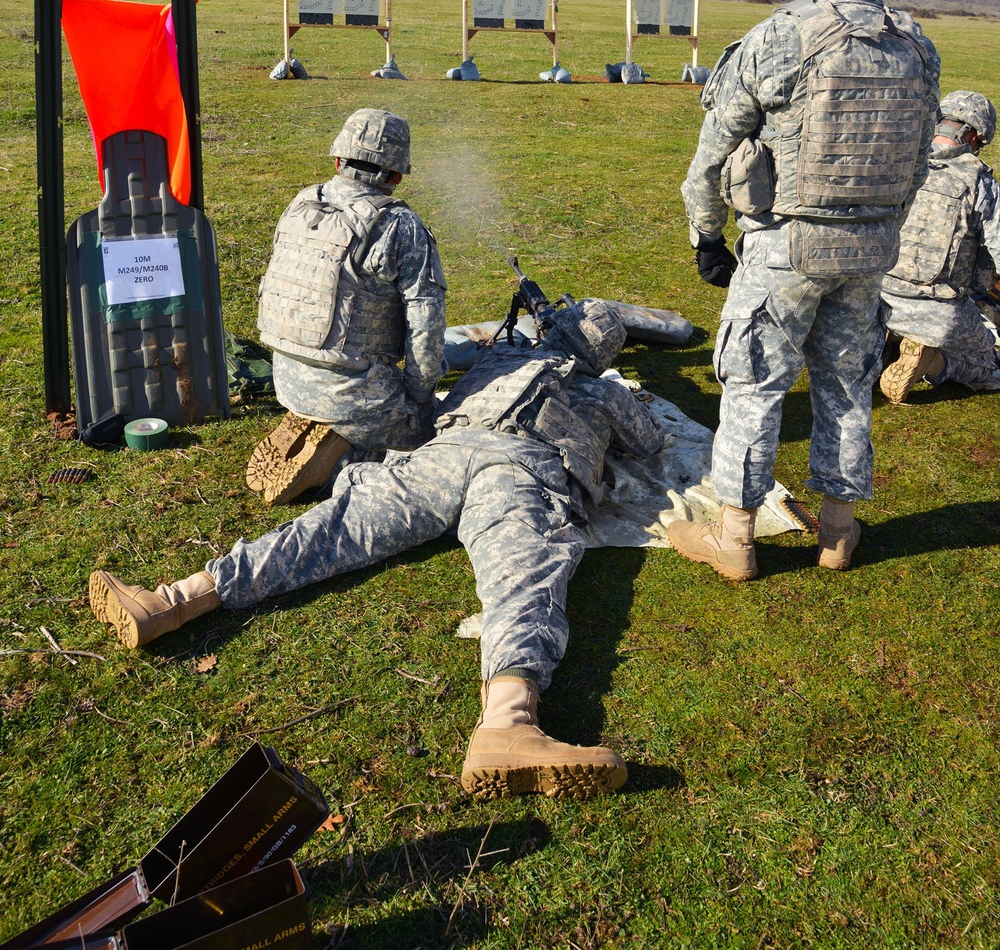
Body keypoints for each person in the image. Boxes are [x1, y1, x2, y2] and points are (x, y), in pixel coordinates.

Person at [88, 300, 664, 799]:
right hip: (520, 471)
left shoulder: (502, 357)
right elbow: (648, 441)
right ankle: (507, 724)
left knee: (327, 532)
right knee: (524, 580)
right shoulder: (602, 391)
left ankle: (174, 600)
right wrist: (610, 397)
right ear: (605, 354)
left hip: (440, 458)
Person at [669, 0, 940, 579]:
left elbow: (710, 160)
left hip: (785, 246)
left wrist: (706, 236)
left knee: (754, 384)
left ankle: (735, 540)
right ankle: (839, 533)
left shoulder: (780, 38)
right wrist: (877, 227)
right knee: (849, 385)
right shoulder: (915, 45)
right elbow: (915, 165)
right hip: (871, 248)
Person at [247, 108, 447, 504]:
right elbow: (426, 325)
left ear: (338, 160)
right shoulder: (399, 226)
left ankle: (321, 420)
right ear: (397, 174)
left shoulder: (302, 203)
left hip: (285, 377)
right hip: (353, 388)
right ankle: (338, 460)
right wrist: (419, 396)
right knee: (435, 433)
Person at [880, 91, 1000, 401]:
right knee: (988, 366)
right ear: (974, 135)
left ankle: (887, 339)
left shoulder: (901, 165)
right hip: (941, 309)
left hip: (876, 299)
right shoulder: (982, 184)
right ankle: (934, 361)